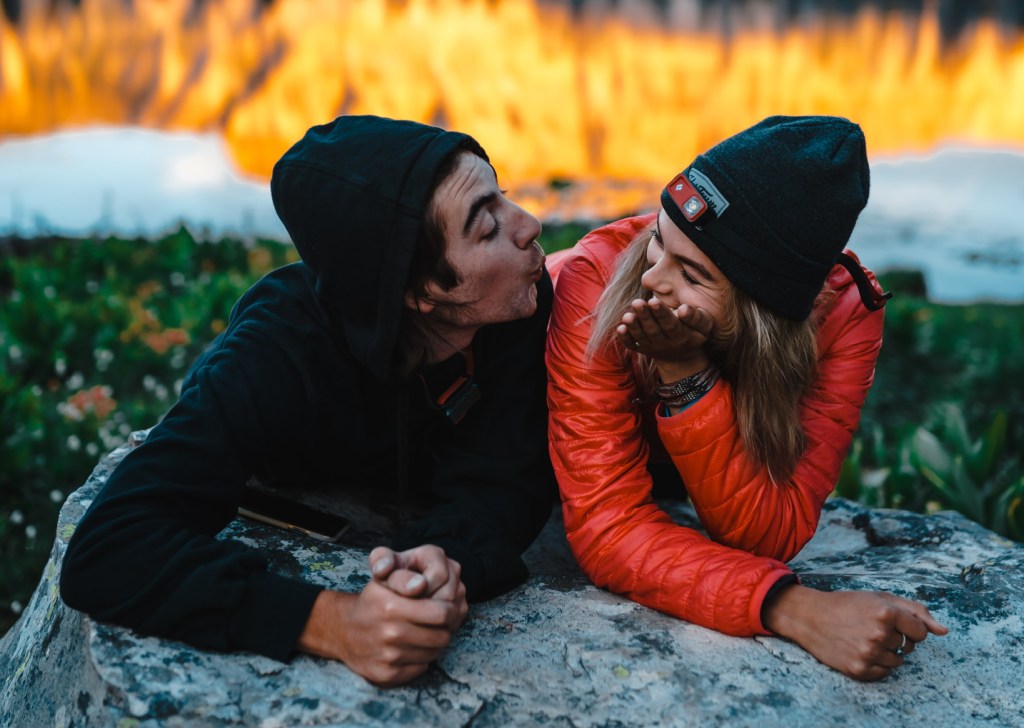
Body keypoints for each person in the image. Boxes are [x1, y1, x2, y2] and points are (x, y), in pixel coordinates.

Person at [60, 115, 557, 687]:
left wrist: (439, 563)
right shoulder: (275, 357)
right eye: (486, 227)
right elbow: (110, 548)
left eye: (504, 195)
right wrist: (335, 623)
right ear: (421, 293)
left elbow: (504, 479)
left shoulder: (512, 300)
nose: (528, 225)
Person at [545, 115, 948, 682]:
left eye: (692, 273)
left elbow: (768, 532)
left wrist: (686, 371)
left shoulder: (843, 314)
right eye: (658, 238)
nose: (652, 281)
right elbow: (607, 526)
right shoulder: (596, 277)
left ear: (765, 315)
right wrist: (791, 608)